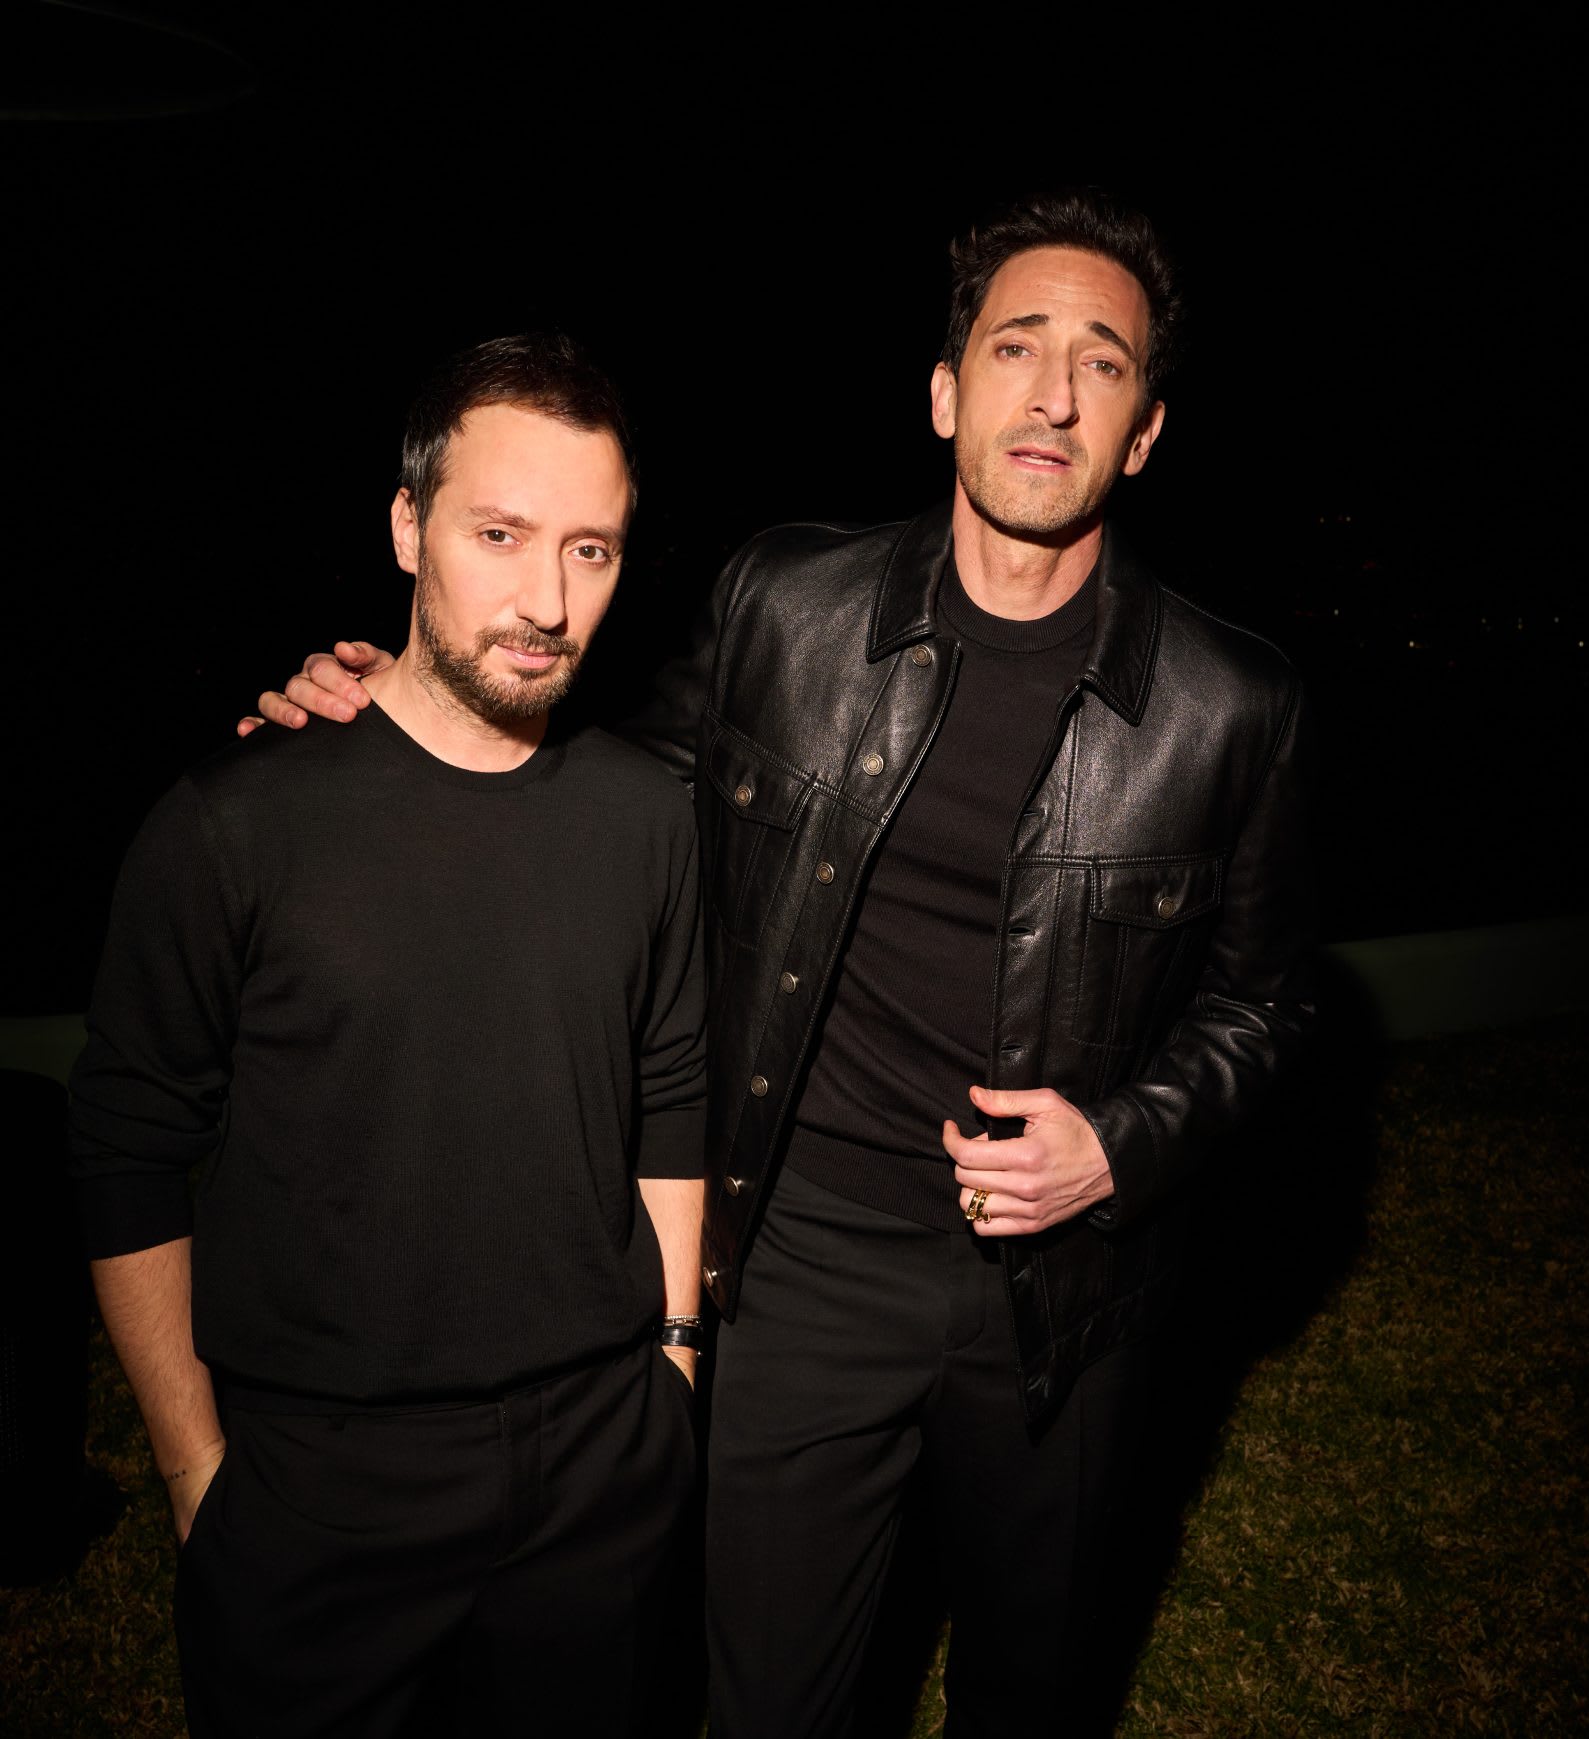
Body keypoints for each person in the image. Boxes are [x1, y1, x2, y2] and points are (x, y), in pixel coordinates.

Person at [248, 189, 1313, 1738]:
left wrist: (1120, 1148)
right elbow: (604, 800)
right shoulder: (786, 605)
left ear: (1143, 432)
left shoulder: (1235, 705)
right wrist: (398, 700)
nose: (1055, 390)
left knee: (1038, 1690)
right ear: (946, 394)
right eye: (1017, 347)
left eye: (1104, 363)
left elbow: (1272, 999)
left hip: (1065, 1305)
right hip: (802, 1269)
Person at [70, 333, 707, 1738]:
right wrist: (196, 1472)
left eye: (592, 551)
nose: (546, 600)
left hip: (602, 1468)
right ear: (410, 527)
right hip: (319, 1492)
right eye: (502, 534)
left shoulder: (648, 818)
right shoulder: (232, 824)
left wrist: (672, 1364)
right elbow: (125, 1149)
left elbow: (672, 1094)